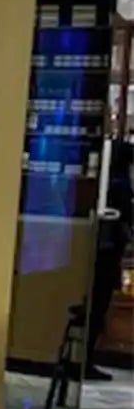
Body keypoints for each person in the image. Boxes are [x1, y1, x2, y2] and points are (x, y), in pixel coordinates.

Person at [88, 139, 133, 380]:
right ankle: (87, 358)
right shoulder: (120, 184)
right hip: (108, 251)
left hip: (100, 250)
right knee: (99, 305)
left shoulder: (103, 182)